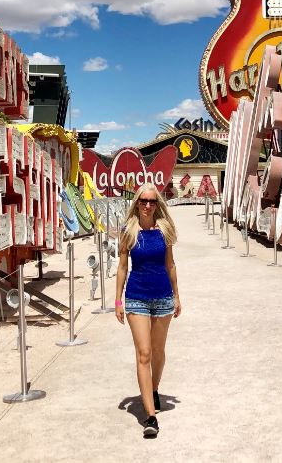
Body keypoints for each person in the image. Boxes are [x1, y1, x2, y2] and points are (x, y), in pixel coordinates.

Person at [115, 182, 181, 438]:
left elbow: (170, 264)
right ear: (137, 202)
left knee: (157, 352)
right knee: (143, 354)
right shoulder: (128, 230)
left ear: (158, 204)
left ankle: (153, 389)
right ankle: (150, 415)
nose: (147, 205)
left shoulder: (164, 230)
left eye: (152, 201)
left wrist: (177, 295)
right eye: (143, 201)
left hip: (163, 296)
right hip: (137, 297)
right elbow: (122, 267)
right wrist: (118, 300)